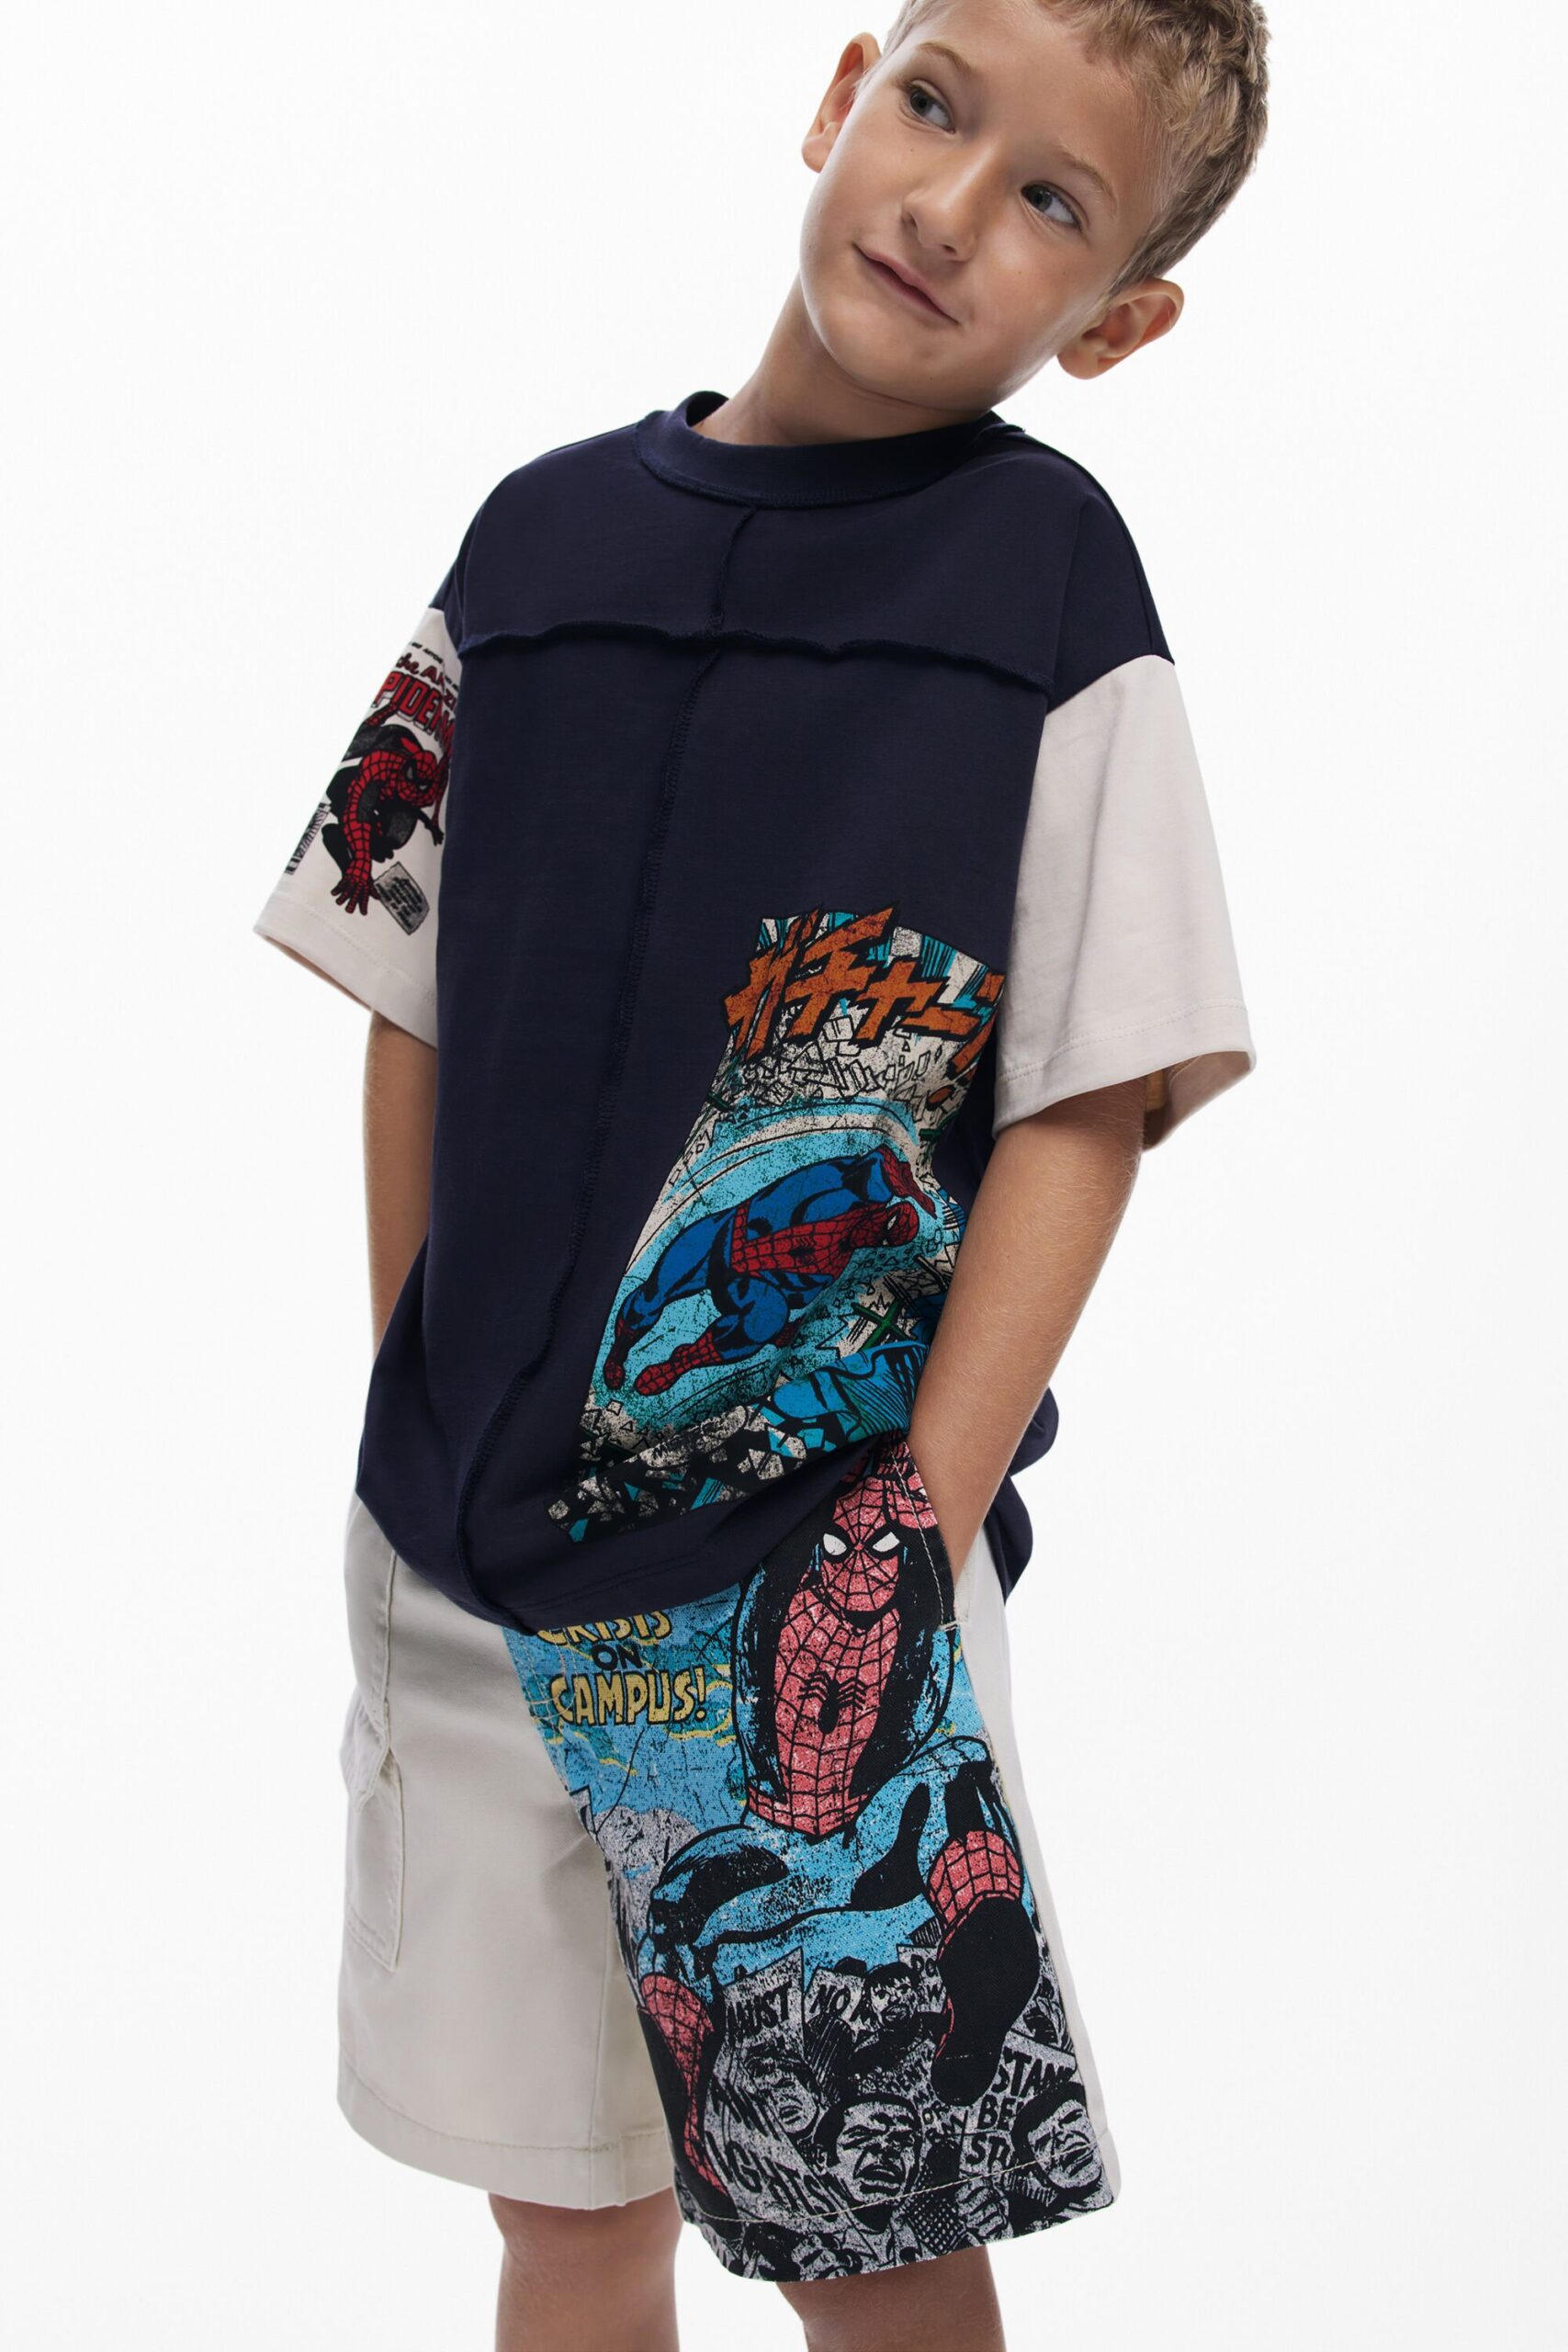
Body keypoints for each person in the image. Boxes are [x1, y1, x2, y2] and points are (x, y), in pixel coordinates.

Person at [252, 3, 1268, 2344]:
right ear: (836, 95)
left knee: (872, 2234)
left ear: (1116, 321)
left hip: (802, 1601)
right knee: (560, 2210)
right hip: (465, 1557)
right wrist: (427, 1380)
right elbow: (406, 990)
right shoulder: (533, 542)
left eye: (1049, 199)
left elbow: (1087, 1092)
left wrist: (903, 1526)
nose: (949, 205)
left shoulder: (1041, 586)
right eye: (933, 106)